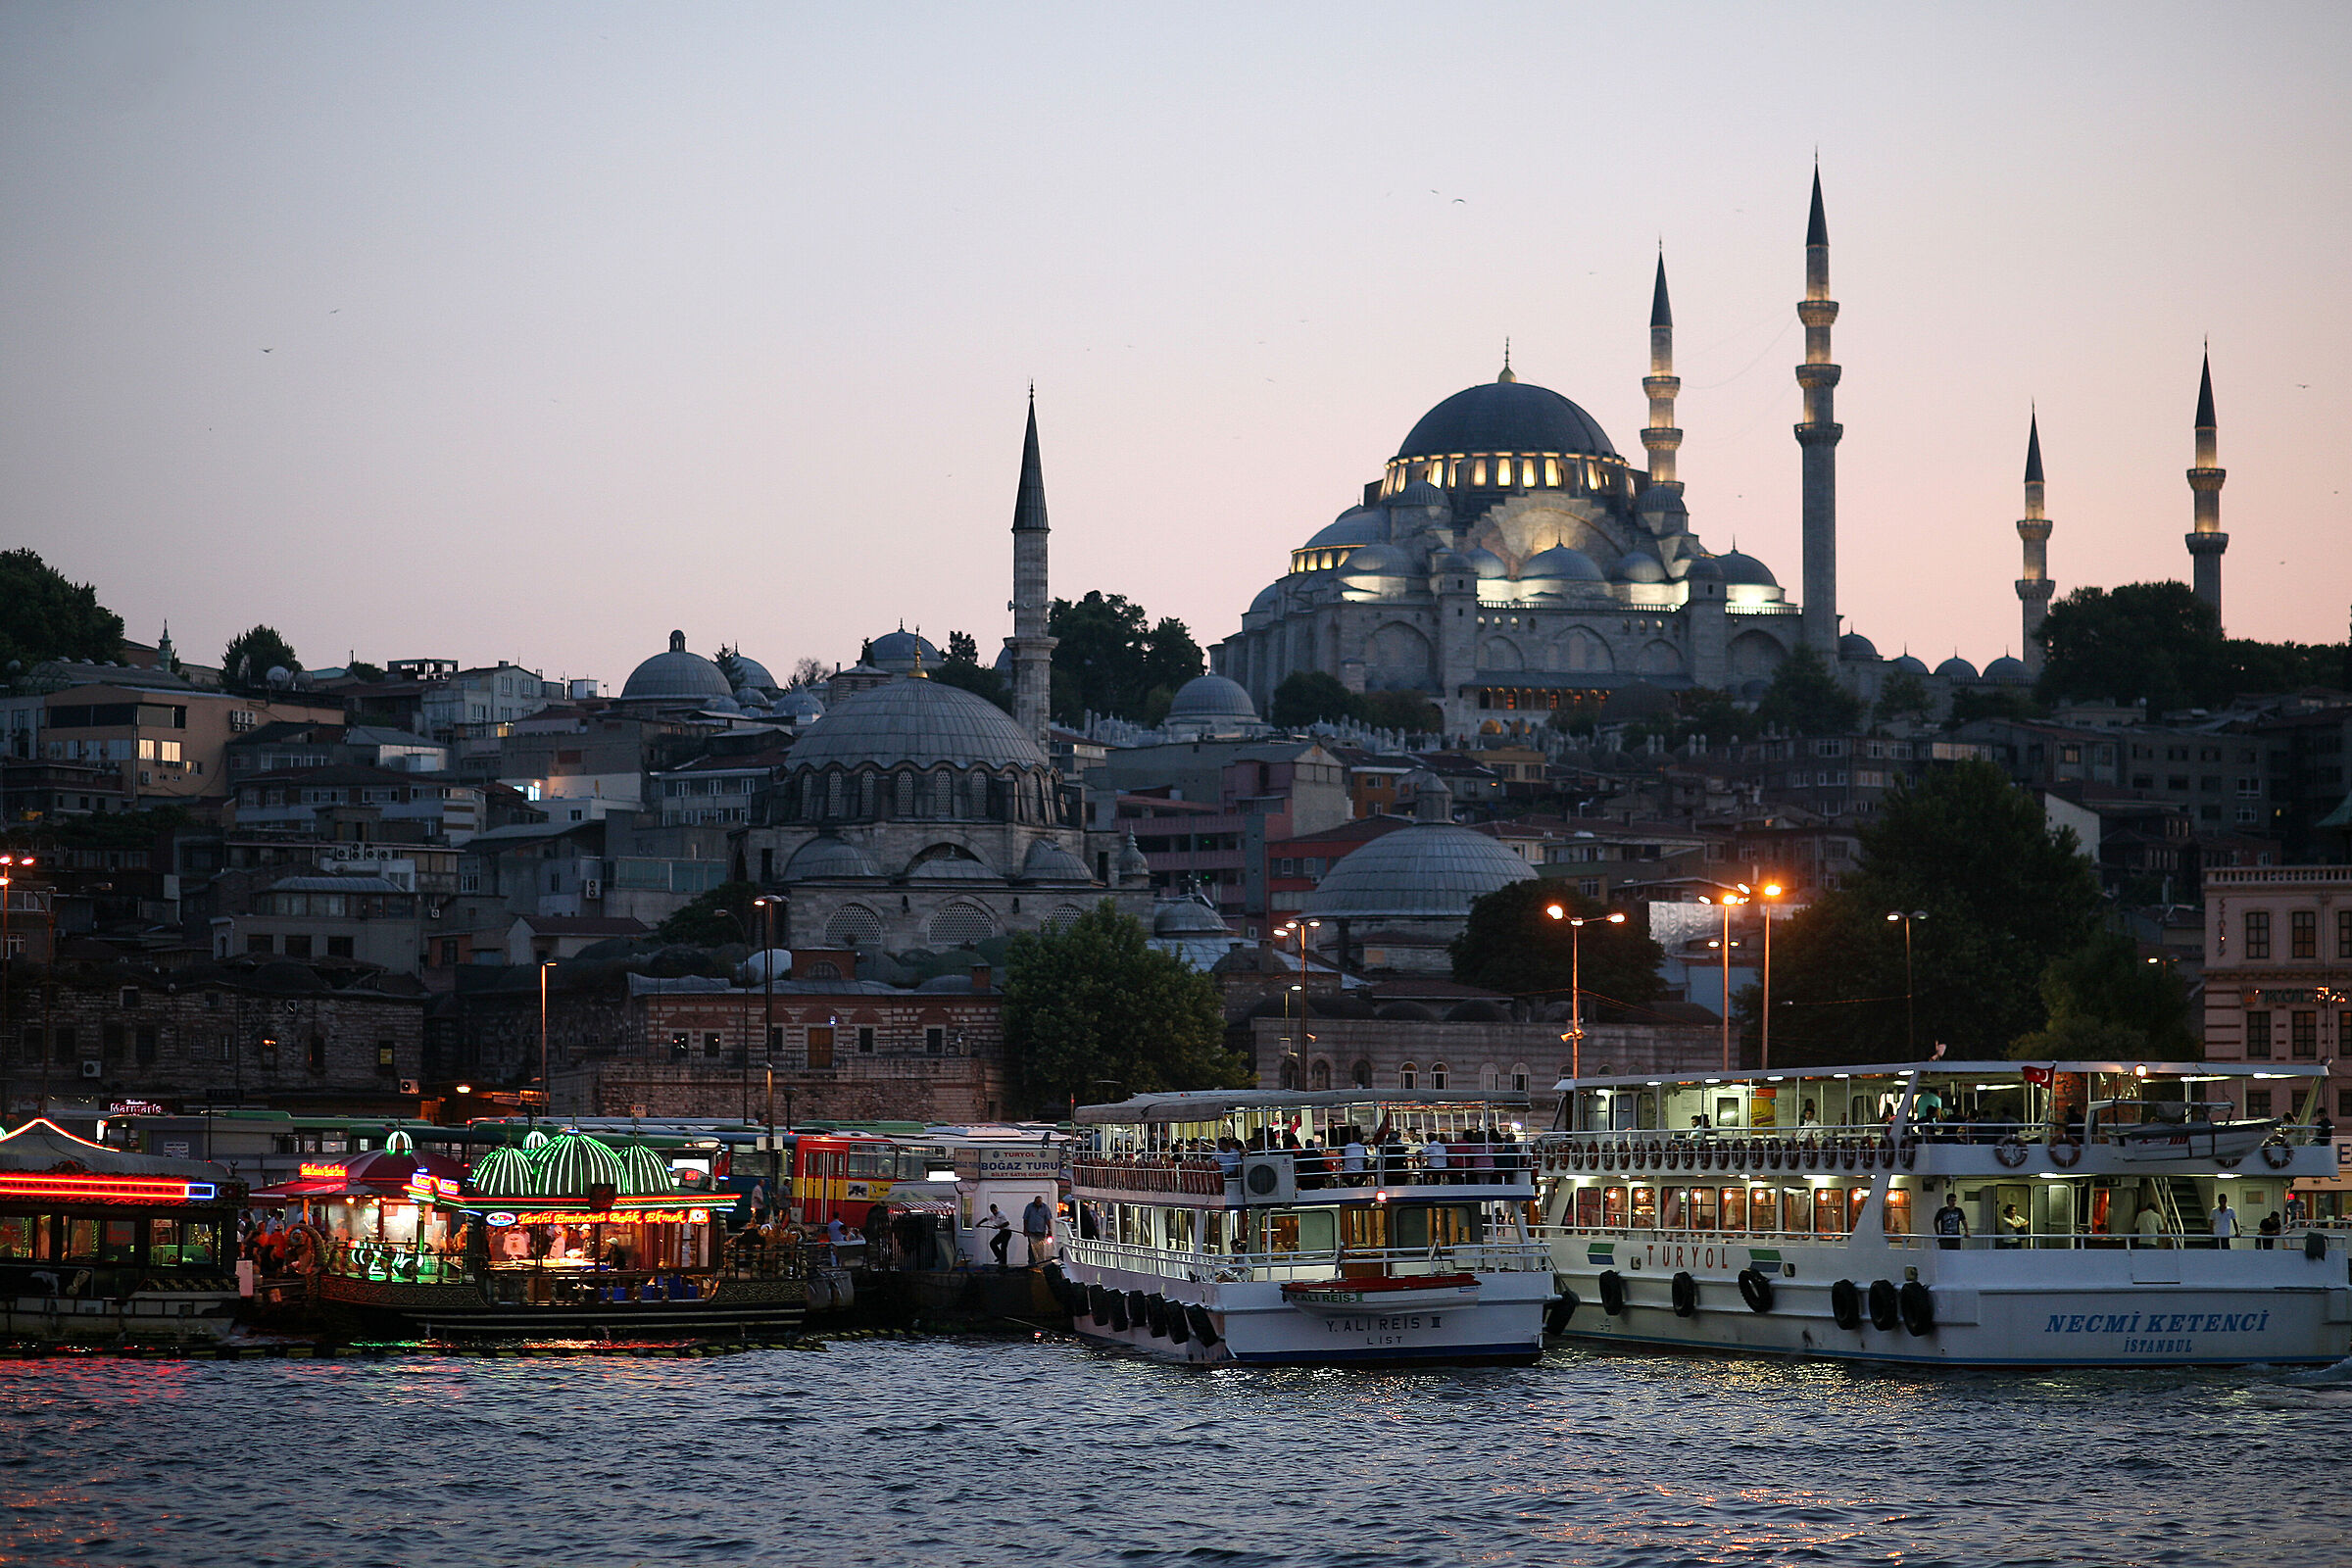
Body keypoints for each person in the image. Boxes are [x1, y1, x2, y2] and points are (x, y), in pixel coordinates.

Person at [1020, 1194, 1053, 1267]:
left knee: (1040, 1247)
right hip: (1031, 1231)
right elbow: (1025, 1219)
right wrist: (1025, 1229)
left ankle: (1040, 1263)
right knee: (1031, 1248)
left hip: (1041, 1231)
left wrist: (1049, 1230)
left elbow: (1047, 1219)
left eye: (1039, 1203)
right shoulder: (1029, 1207)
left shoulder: (1045, 1207)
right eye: (1037, 1203)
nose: (1038, 1204)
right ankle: (1031, 1264)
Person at [981, 1203, 1012, 1270]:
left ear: (997, 1209)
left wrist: (998, 1227)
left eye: (995, 1210)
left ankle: (1003, 1265)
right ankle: (1000, 1257)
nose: (994, 1212)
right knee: (992, 1243)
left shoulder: (1001, 1214)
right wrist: (979, 1223)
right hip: (1002, 1232)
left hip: (1007, 1232)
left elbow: (1007, 1223)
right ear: (991, 1210)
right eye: (993, 1211)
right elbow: (986, 1219)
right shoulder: (993, 1215)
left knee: (1003, 1248)